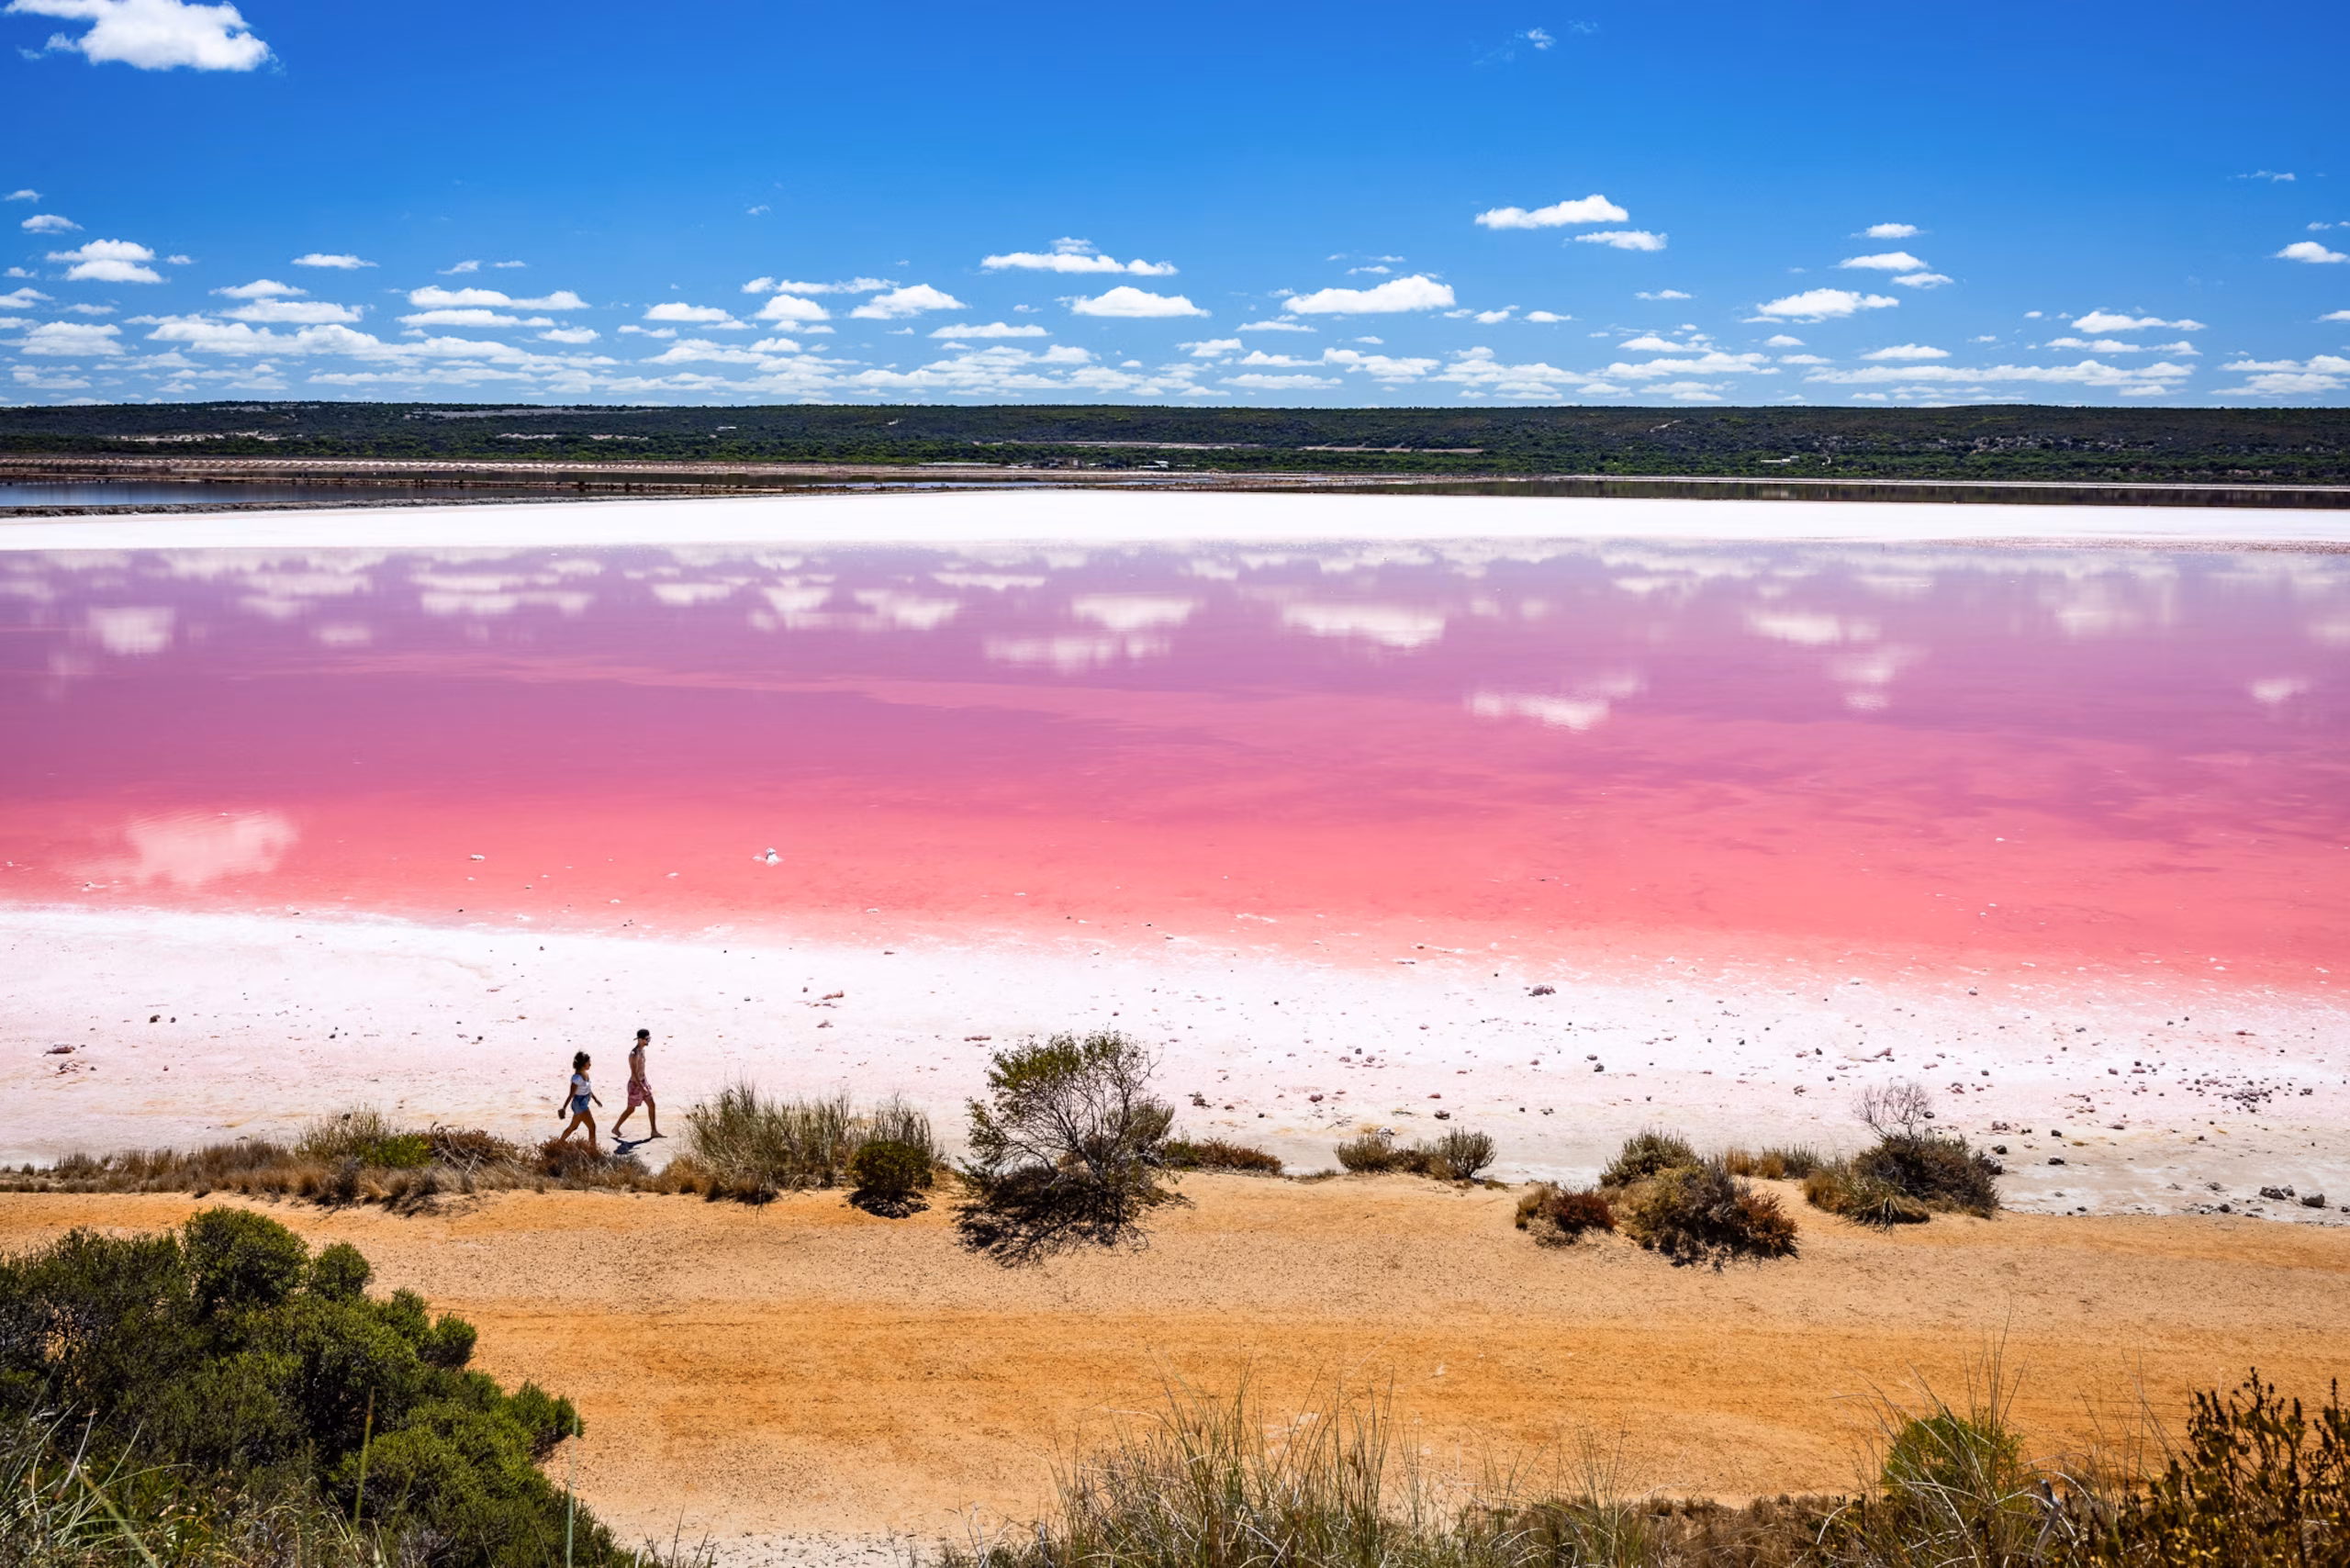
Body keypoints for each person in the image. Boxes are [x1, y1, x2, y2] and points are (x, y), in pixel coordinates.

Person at [611, 1028, 661, 1140]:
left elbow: (642, 1070)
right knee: (631, 1109)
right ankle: (616, 1128)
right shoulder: (634, 1055)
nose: (648, 1041)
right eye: (646, 1039)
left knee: (652, 1105)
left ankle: (654, 1131)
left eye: (649, 1038)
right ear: (640, 1039)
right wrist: (641, 1088)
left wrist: (646, 1083)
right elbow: (634, 1074)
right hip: (635, 1085)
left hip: (643, 1082)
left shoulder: (642, 1051)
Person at [555, 1050, 601, 1151]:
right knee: (592, 1127)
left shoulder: (586, 1074)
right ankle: (593, 1151)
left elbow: (588, 1090)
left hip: (583, 1102)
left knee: (573, 1127)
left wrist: (595, 1099)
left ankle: (558, 1144)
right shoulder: (577, 1078)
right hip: (579, 1104)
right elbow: (571, 1094)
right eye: (589, 1062)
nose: (590, 1064)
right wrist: (564, 1108)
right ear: (584, 1064)